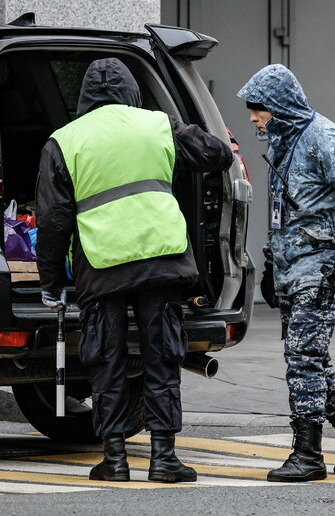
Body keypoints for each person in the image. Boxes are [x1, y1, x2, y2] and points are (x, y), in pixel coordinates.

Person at [36, 57, 233, 483]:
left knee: (106, 360)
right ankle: (164, 460)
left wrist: (51, 283)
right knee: (161, 358)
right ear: (130, 91)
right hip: (160, 258)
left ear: (85, 96)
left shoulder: (64, 141)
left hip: (102, 265)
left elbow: (53, 221)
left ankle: (115, 460)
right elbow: (217, 154)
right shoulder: (159, 125)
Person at [238, 64, 335, 482]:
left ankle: (308, 454)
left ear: (280, 106)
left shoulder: (321, 136)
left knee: (302, 357)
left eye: (258, 109)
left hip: (321, 266)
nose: (252, 118)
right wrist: (271, 262)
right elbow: (287, 212)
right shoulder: (284, 141)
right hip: (293, 265)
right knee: (310, 356)